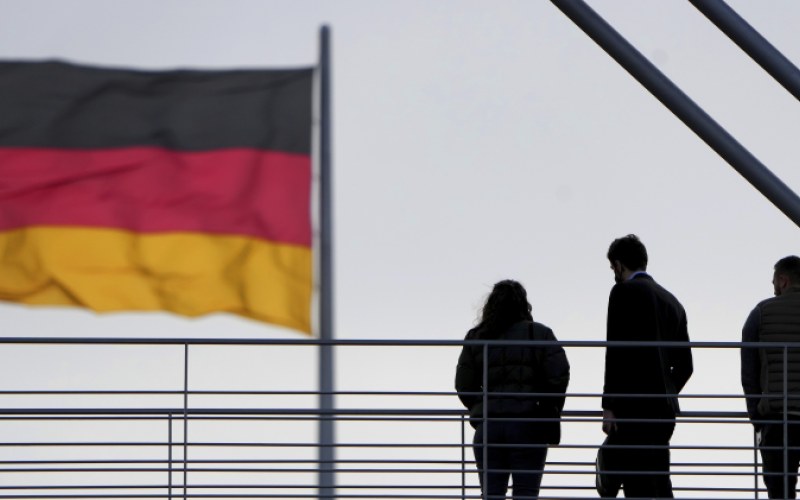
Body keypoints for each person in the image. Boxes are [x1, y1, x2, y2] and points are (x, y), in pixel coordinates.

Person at [455, 279, 570, 499]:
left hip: (489, 428)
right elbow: (558, 376)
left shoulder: (477, 337)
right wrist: (543, 407)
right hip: (529, 426)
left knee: (492, 494)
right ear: (524, 305)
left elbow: (464, 385)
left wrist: (484, 405)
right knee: (526, 494)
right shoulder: (539, 334)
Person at [602, 234, 693, 498]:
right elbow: (686, 366)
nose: (614, 274)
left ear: (619, 265)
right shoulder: (673, 302)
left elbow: (615, 351)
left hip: (632, 407)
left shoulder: (623, 292)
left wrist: (609, 405)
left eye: (612, 268)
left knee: (636, 484)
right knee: (658, 479)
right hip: (663, 410)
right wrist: (664, 391)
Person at [741, 255, 800, 499]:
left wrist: (756, 415)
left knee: (780, 491)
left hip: (778, 417)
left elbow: (749, 372)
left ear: (783, 281)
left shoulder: (761, 313)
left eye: (774, 282)